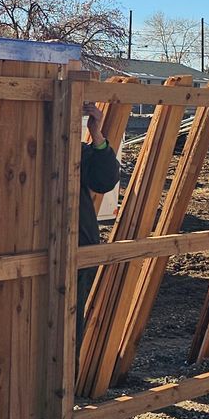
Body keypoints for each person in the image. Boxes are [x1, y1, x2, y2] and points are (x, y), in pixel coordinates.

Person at [76, 101, 122, 335]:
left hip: (77, 253)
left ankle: (70, 372)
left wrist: (97, 136)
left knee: (70, 332)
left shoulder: (76, 151)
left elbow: (104, 181)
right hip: (26, 252)